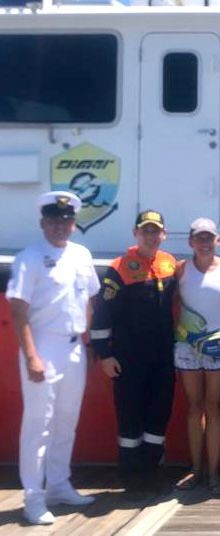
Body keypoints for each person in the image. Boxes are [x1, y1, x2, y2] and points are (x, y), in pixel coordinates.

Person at [7, 191, 100, 525]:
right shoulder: (29, 257)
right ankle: (33, 498)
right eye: (54, 220)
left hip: (74, 347)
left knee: (66, 422)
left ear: (74, 224)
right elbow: (18, 309)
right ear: (43, 223)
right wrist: (31, 356)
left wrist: (85, 340)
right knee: (38, 425)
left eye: (66, 220)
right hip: (43, 346)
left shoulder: (81, 254)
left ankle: (59, 485)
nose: (61, 226)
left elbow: (89, 296)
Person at [90, 210, 177, 500]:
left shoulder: (169, 263)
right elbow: (103, 314)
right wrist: (104, 354)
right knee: (130, 419)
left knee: (158, 416)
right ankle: (130, 476)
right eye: (145, 231)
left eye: (156, 231)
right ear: (135, 234)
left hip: (163, 359)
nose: (151, 236)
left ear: (164, 234)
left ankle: (152, 471)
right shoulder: (120, 268)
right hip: (128, 359)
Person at [173, 217, 220, 497]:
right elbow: (171, 307)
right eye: (199, 238)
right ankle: (195, 468)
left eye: (209, 238)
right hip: (187, 347)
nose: (204, 243)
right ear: (191, 242)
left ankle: (214, 472)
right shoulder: (180, 269)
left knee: (214, 408)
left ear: (218, 240)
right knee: (194, 408)